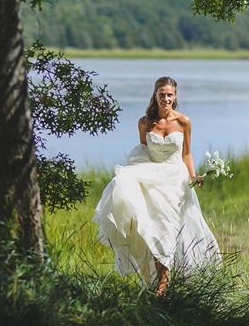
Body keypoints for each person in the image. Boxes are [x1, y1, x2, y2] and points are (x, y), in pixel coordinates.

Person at [92, 76, 222, 295]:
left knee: (168, 228)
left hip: (175, 180)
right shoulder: (145, 123)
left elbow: (187, 154)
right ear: (155, 95)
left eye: (170, 94)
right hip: (153, 179)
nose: (166, 98)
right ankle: (157, 285)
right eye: (162, 94)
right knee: (152, 227)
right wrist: (134, 178)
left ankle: (162, 288)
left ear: (175, 96)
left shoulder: (184, 122)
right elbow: (142, 153)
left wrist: (193, 176)